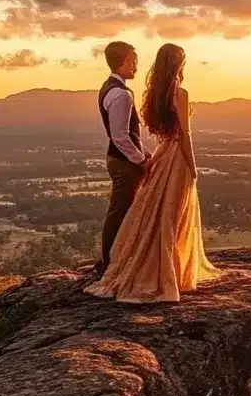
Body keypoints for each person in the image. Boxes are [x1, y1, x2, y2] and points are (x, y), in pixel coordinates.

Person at [86, 43, 220, 303]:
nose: (135, 64)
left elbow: (162, 135)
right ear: (178, 65)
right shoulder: (173, 94)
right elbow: (183, 135)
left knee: (152, 214)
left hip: (160, 153)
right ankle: (146, 269)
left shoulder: (150, 95)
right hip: (170, 158)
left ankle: (128, 264)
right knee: (165, 215)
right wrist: (192, 166)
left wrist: (151, 158)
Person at [96, 41, 145, 276]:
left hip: (120, 160)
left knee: (122, 210)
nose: (136, 66)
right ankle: (110, 264)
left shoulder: (109, 88)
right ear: (124, 61)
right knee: (120, 212)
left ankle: (113, 260)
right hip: (123, 162)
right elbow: (121, 137)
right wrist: (142, 160)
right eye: (134, 61)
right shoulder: (121, 95)